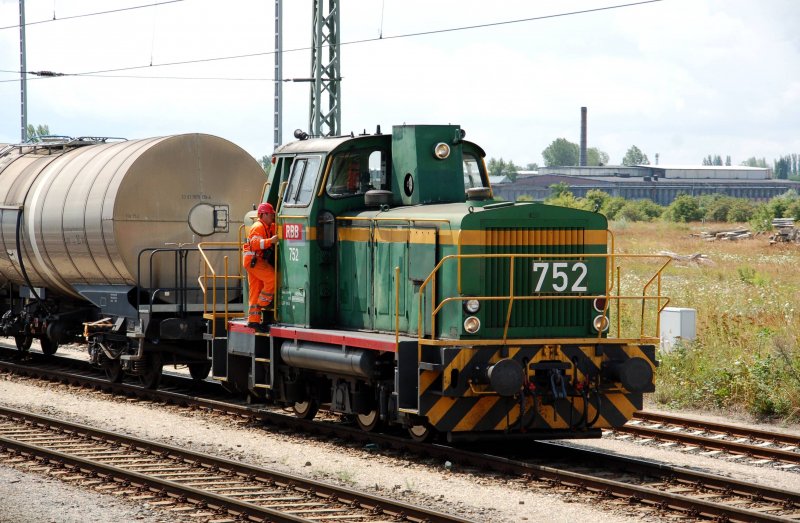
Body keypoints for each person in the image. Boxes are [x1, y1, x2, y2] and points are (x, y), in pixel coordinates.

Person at [243, 202, 277, 331]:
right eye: (270, 215)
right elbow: (255, 244)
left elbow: (275, 228)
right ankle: (262, 303)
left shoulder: (267, 226)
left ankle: (253, 322)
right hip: (254, 261)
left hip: (253, 261)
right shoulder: (258, 226)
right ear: (263, 215)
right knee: (271, 278)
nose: (272, 217)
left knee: (255, 290)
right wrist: (271, 241)